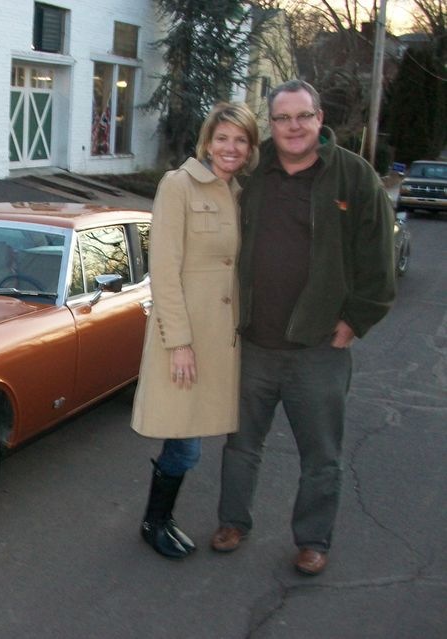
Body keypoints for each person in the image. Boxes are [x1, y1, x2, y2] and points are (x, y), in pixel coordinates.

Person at [211, 79, 396, 576]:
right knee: (240, 445)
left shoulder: (353, 177)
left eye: (303, 116)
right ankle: (232, 522)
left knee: (321, 455)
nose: (293, 127)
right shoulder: (252, 172)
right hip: (253, 343)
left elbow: (379, 263)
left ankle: (313, 540)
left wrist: (354, 322)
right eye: (282, 118)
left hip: (319, 348)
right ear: (270, 123)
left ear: (319, 119)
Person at [132, 103, 260, 560]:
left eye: (241, 140)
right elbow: (164, 271)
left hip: (223, 341)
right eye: (223, 138)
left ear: (250, 148)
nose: (231, 148)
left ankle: (160, 518)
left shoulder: (242, 194)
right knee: (185, 443)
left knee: (191, 436)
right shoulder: (178, 185)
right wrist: (179, 343)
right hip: (186, 340)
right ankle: (154, 521)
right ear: (208, 141)